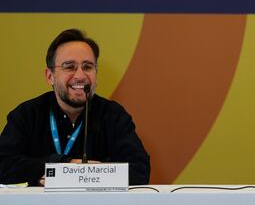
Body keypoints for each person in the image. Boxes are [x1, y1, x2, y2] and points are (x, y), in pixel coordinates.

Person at [0, 29, 150, 186]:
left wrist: (90, 174)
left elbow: (140, 170)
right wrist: (63, 166)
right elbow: (3, 163)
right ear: (50, 76)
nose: (80, 76)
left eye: (88, 67)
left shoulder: (114, 115)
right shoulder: (27, 114)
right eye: (69, 67)